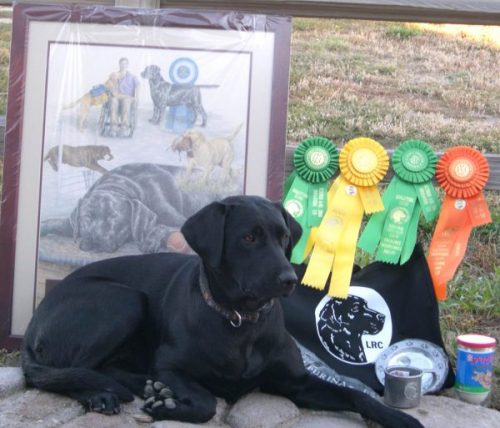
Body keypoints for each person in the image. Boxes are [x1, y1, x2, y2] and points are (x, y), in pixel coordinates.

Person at [109, 57, 140, 136]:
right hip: (118, 97)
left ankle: (124, 126)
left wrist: (137, 98)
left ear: (127, 65)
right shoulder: (114, 75)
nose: (123, 65)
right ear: (119, 64)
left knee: (126, 101)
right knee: (113, 100)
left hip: (128, 99)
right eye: (122, 63)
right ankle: (113, 127)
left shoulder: (132, 77)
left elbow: (138, 86)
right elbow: (112, 91)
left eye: (125, 64)